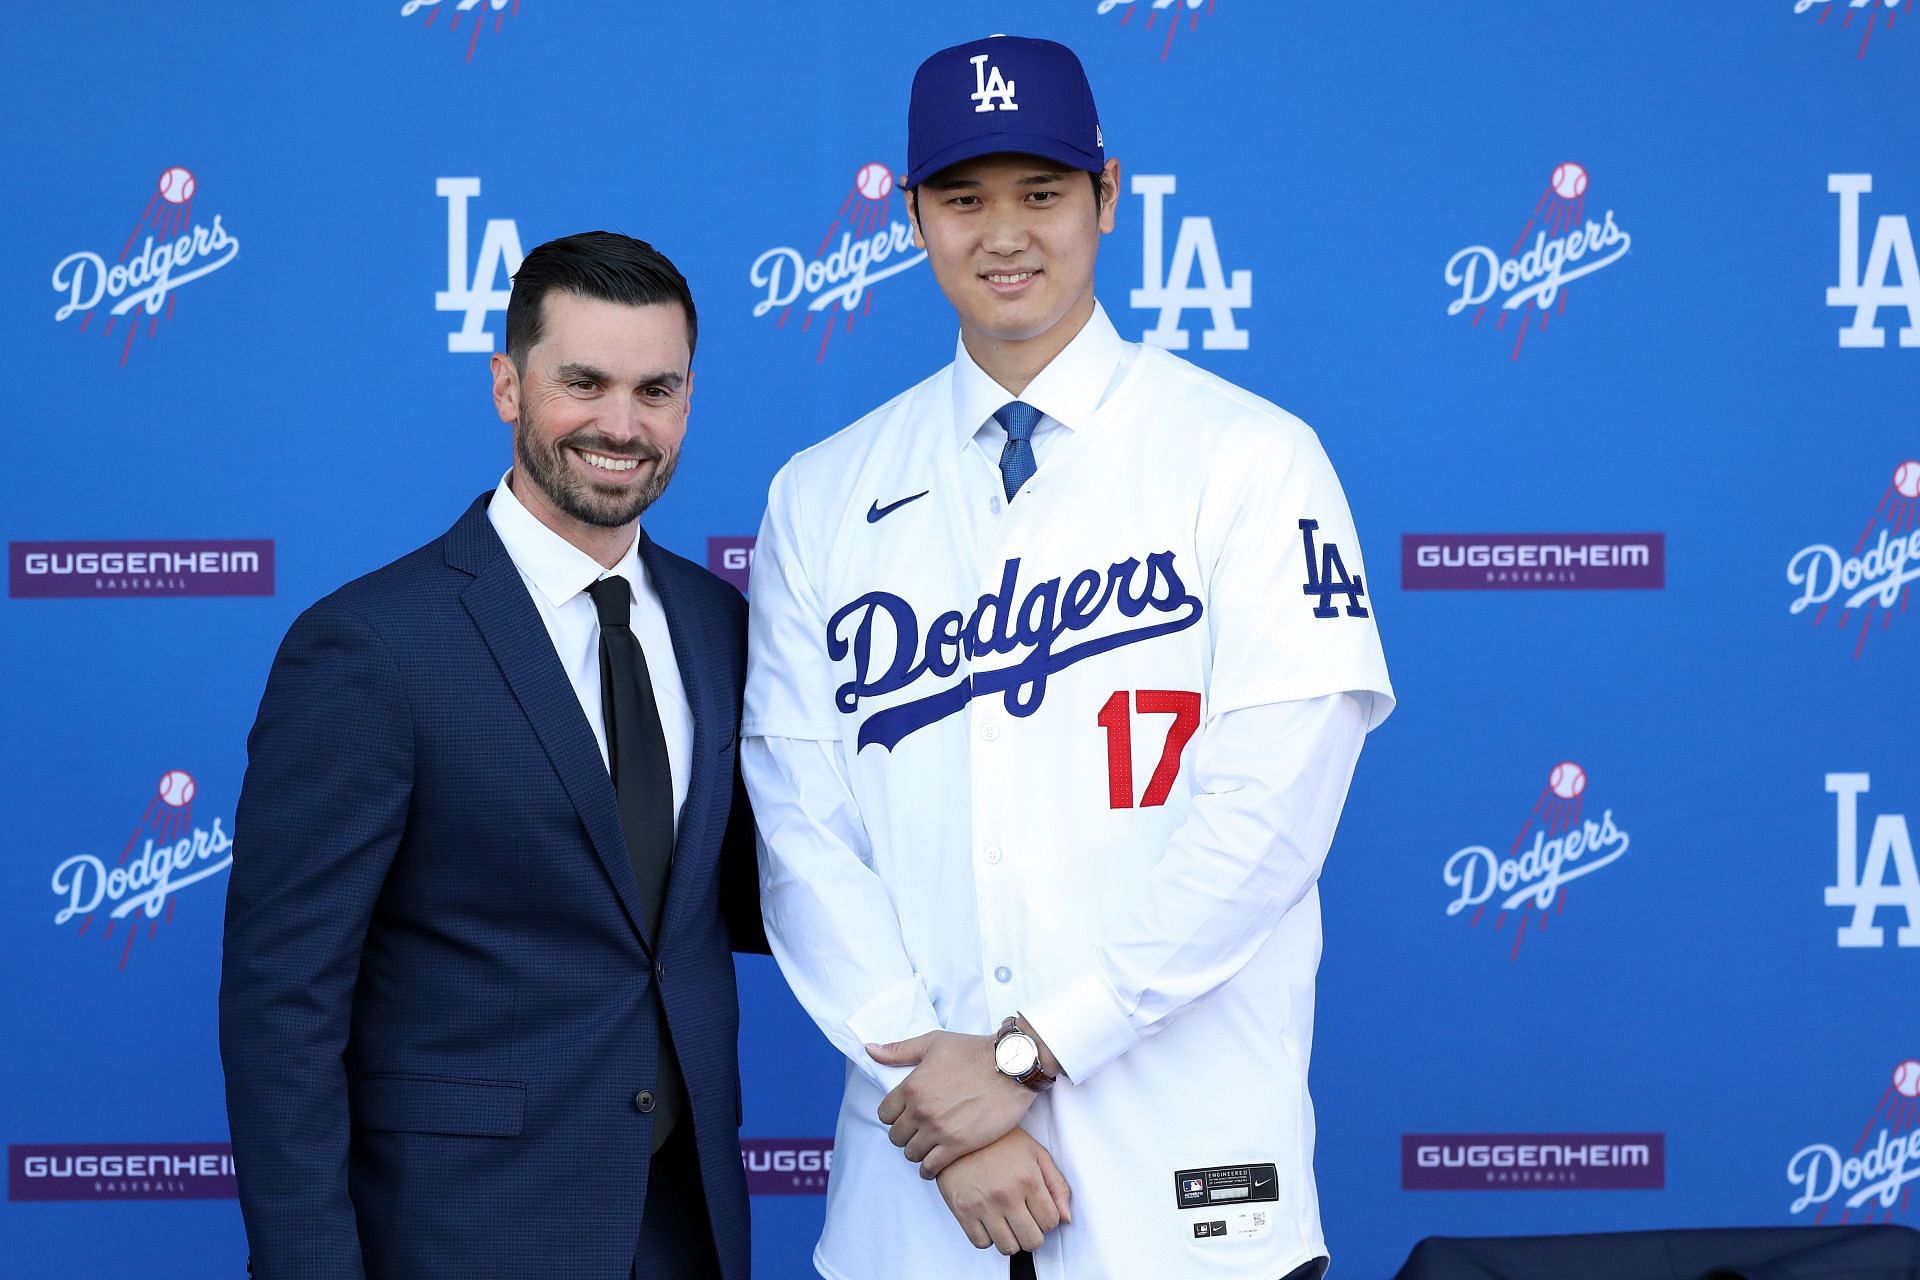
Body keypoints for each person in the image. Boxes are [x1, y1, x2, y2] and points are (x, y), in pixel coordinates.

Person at [743, 34, 1394, 1280]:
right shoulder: (822, 492)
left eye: (1041, 192)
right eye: (964, 198)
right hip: (916, 1198)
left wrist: (1027, 1053)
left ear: (1107, 193)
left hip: (1190, 1190)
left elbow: (1266, 817)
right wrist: (946, 1104)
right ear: (912, 214)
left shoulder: (1250, 458)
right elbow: (801, 829)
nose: (1005, 234)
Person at [220, 231, 765, 1280]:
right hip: (462, 1231)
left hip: (687, 1228)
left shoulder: (719, 624)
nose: (621, 422)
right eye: (584, 382)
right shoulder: (373, 646)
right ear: (508, 386)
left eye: (657, 388)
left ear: (690, 399)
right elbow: (283, 1004)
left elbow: (758, 894)